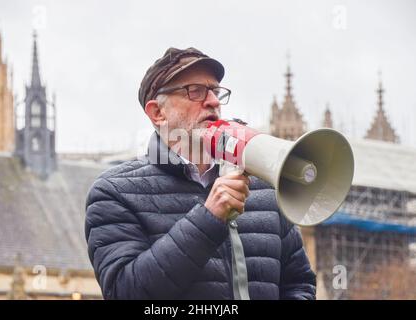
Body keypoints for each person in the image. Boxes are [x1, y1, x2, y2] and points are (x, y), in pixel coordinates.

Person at [85, 47, 316, 300]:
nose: (213, 101)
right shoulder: (114, 192)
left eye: (215, 91)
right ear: (157, 113)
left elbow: (299, 284)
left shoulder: (264, 187)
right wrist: (209, 218)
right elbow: (124, 292)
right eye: (195, 91)